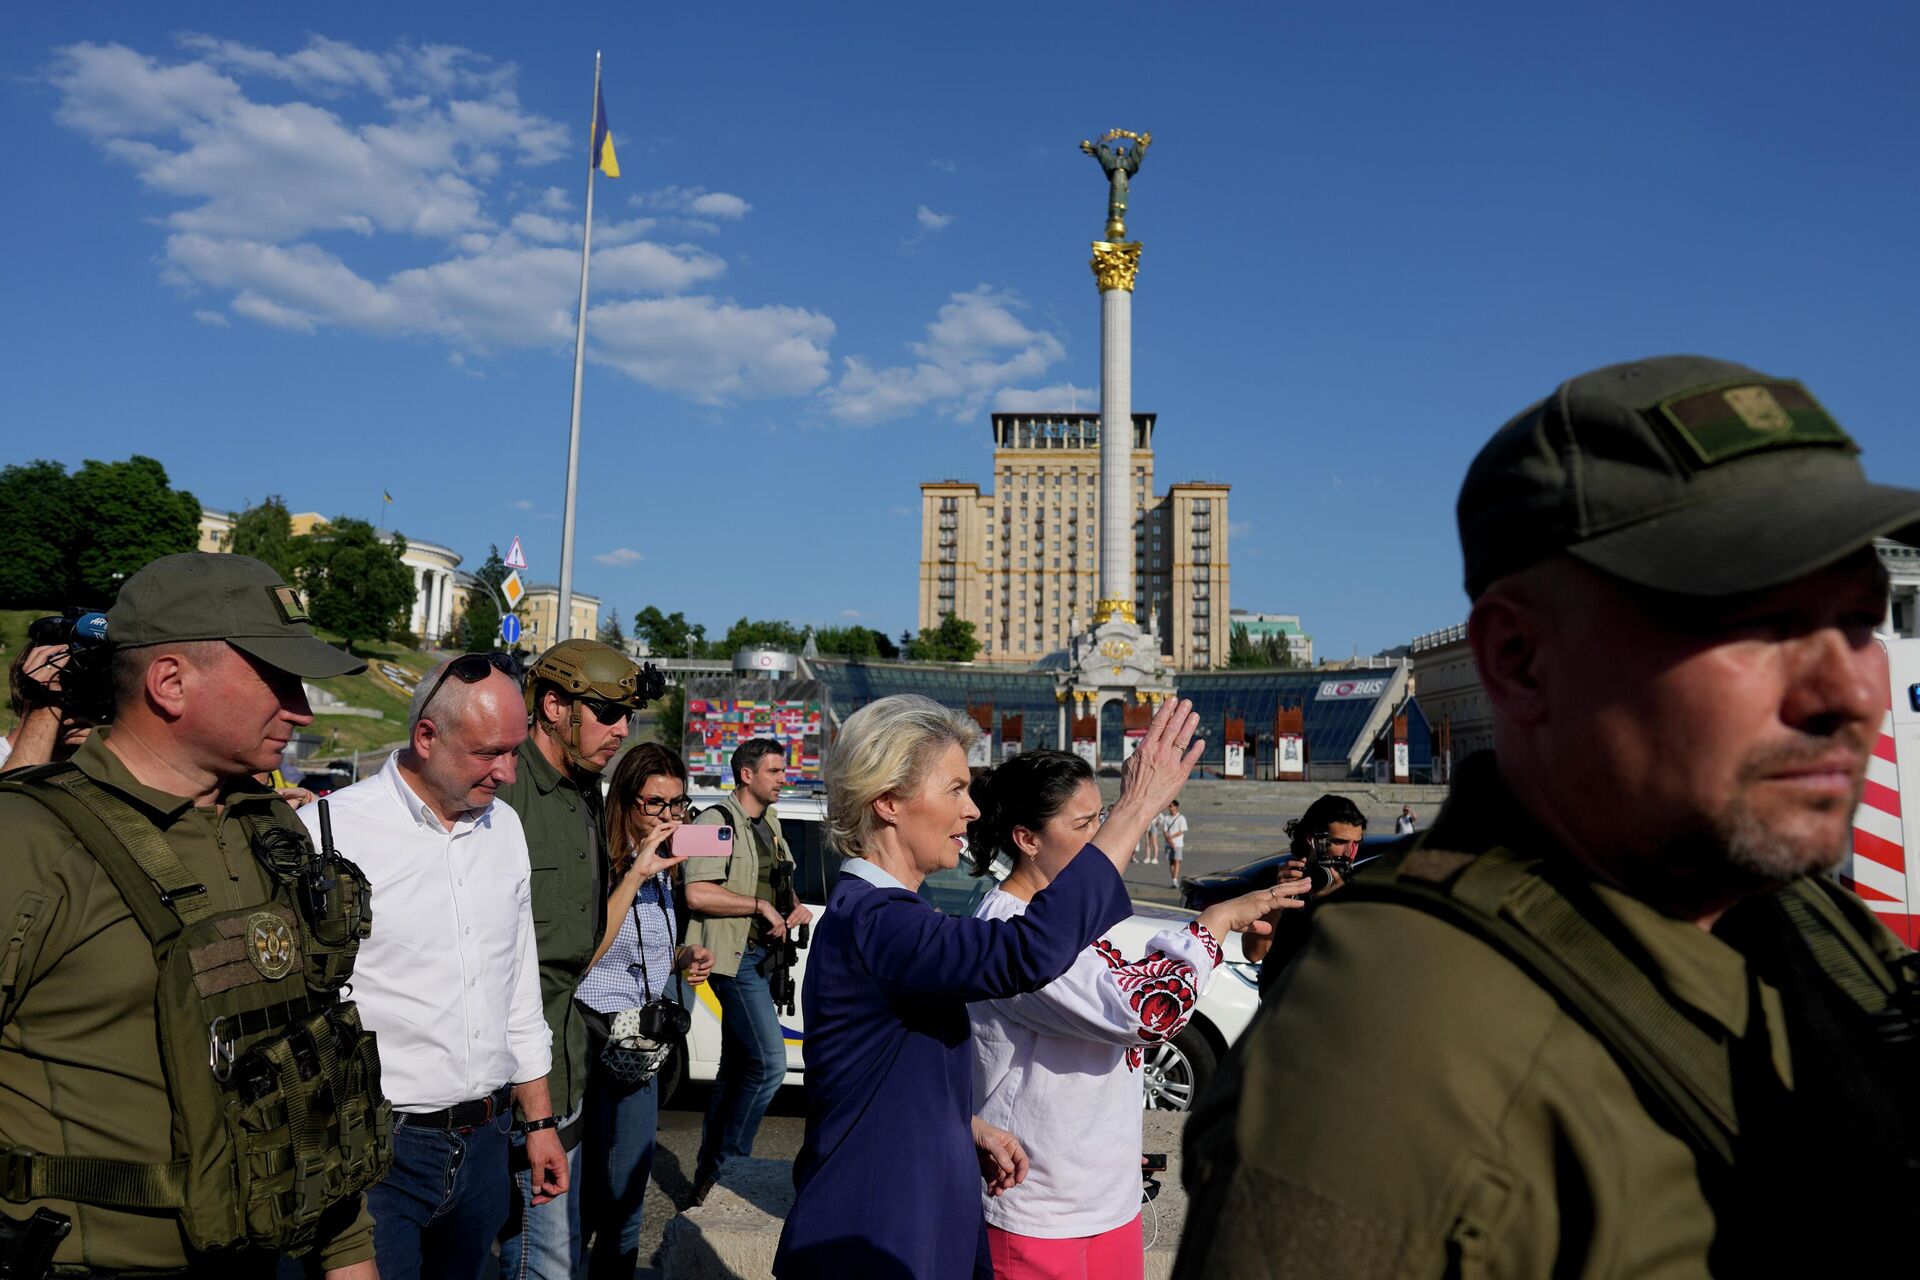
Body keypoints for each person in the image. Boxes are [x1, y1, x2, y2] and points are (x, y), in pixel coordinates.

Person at [1177, 356, 1920, 1277]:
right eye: (1755, 622)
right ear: (1522, 659)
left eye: (1859, 620)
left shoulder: (1809, 922)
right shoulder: (1398, 1062)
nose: (1847, 689)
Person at [0, 553, 382, 1277]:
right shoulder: (27, 840)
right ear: (170, 682)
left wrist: (349, 1254)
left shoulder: (271, 831)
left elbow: (310, 1060)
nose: (301, 707)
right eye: (275, 678)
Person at [775, 694, 1212, 1280]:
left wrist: (966, 1128)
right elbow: (1026, 952)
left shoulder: (881, 913)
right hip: (875, 1232)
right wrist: (1135, 808)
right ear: (888, 802)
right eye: (954, 789)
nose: (973, 811)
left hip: (909, 1219)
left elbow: (892, 1073)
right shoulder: (876, 920)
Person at [966, 751, 1305, 1279]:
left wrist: (1227, 928)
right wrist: (1215, 922)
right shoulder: (1006, 929)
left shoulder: (1072, 911)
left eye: (1101, 819)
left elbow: (1129, 981)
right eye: (1083, 824)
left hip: (1108, 1200)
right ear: (1026, 839)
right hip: (1039, 1210)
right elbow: (1146, 1011)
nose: (1102, 838)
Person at [302, 653, 565, 1280]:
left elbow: (517, 985)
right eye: (489, 753)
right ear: (427, 736)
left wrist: (540, 1120)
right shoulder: (328, 832)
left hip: (484, 1148)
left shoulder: (504, 827)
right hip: (374, 1156)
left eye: (515, 752)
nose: (507, 772)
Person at [494, 638, 648, 1278]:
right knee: (544, 1260)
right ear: (554, 706)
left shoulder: (582, 791)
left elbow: (578, 952)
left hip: (568, 1069)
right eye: (607, 713)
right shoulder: (506, 790)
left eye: (625, 716)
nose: (621, 730)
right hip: (518, 1085)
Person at [576, 743, 716, 1279]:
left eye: (677, 805)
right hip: (591, 1033)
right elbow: (587, 953)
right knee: (584, 1192)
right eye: (655, 804)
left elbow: (646, 944)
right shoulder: (600, 860)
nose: (668, 817)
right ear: (624, 801)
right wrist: (635, 872)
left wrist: (684, 958)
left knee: (629, 1189)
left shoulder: (666, 868)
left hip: (641, 1042)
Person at [685, 736, 811, 1203]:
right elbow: (695, 893)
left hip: (762, 959)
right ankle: (729, 1169)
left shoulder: (770, 822)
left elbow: (780, 884)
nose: (784, 779)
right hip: (731, 959)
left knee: (735, 1069)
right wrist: (759, 906)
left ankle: (707, 1179)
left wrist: (794, 907)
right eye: (776, 772)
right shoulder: (712, 820)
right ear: (746, 775)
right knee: (769, 1064)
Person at [1244, 794, 1368, 994]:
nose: (1349, 853)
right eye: (1340, 842)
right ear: (1313, 839)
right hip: (1282, 1005)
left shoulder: (1361, 883)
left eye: (1356, 843)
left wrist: (1339, 902)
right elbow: (1253, 953)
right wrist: (1276, 902)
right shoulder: (1275, 878)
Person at [1161, 798, 1188, 883]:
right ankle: (1174, 879)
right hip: (1168, 843)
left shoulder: (1181, 818)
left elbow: (1182, 830)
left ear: (1176, 807)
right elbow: (1164, 830)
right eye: (1169, 806)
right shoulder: (1166, 818)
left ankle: (1175, 879)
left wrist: (1171, 837)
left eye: (1171, 806)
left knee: (1177, 860)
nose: (1169, 807)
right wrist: (1169, 840)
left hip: (1178, 843)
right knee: (1171, 861)